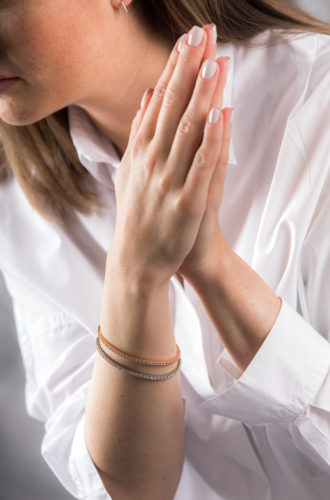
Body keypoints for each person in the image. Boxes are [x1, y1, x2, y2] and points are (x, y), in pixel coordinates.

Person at [0, 0, 329, 499]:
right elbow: (135, 491)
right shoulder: (26, 209)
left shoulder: (317, 106)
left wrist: (210, 265)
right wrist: (135, 274)